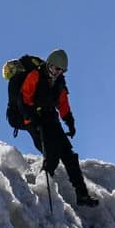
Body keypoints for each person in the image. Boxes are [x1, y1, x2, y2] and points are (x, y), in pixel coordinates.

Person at [20, 48, 99, 207]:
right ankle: (41, 191)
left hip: (51, 118)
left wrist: (70, 122)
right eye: (56, 68)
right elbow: (24, 99)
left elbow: (63, 104)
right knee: (52, 155)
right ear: (49, 65)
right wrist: (32, 117)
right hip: (36, 119)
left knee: (69, 155)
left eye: (61, 70)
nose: (58, 72)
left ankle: (82, 194)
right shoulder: (35, 76)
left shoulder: (60, 82)